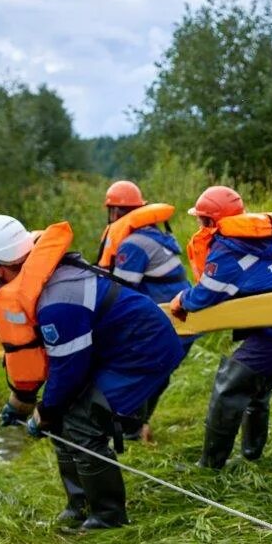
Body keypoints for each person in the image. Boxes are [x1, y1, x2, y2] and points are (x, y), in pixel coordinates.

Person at [0, 214, 185, 529]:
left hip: (142, 350)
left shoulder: (59, 301)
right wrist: (22, 400)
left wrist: (45, 410)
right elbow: (47, 359)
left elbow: (69, 371)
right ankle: (79, 504)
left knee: (82, 422)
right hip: (112, 347)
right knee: (64, 415)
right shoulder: (41, 282)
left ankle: (109, 517)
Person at [169, 186, 272, 469]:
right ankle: (251, 454)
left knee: (229, 384)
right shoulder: (266, 238)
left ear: (212, 221)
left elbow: (202, 297)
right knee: (257, 389)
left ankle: (210, 465)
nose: (198, 224)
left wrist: (181, 299)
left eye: (201, 219)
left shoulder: (225, 249)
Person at [95, 179, 193, 442]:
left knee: (132, 371)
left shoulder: (132, 245)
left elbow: (120, 292)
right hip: (182, 325)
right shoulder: (153, 236)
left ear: (114, 213)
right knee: (155, 375)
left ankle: (131, 431)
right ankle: (138, 428)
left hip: (164, 326)